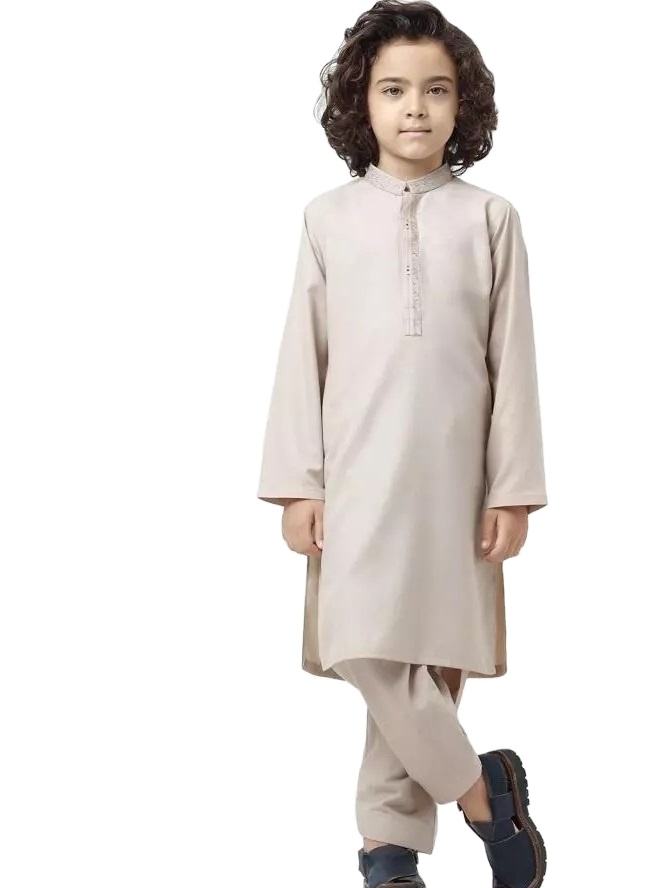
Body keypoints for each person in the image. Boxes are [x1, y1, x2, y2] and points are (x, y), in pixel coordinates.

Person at [256, 2, 548, 885]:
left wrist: (511, 490)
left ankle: (387, 848)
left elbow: (513, 362)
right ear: (362, 102)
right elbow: (301, 357)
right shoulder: (328, 218)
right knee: (363, 645)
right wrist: (299, 484)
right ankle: (485, 794)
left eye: (435, 90)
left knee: (431, 658)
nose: (415, 107)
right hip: (354, 476)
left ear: (465, 104)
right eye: (393, 90)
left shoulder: (490, 218)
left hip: (455, 481)